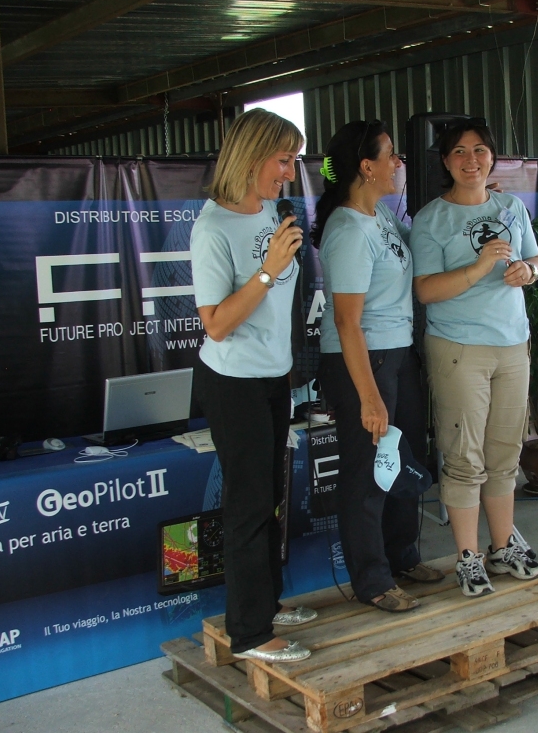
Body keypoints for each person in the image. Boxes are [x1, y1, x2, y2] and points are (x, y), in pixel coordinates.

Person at [190, 108, 315, 664]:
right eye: (283, 160)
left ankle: (267, 603)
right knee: (249, 504)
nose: (289, 173)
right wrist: (267, 270)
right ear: (251, 156)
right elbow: (216, 323)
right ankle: (249, 633)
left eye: (294, 161)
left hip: (271, 376)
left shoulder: (270, 210)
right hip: (233, 381)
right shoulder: (212, 228)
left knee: (272, 498)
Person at [312, 120, 444, 613]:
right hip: (363, 361)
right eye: (391, 155)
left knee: (404, 460)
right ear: (367, 167)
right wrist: (369, 397)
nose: (399, 163)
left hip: (398, 353)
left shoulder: (381, 216)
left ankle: (403, 556)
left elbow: (424, 243)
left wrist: (466, 202)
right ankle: (372, 580)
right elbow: (347, 322)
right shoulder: (347, 230)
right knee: (368, 471)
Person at [411, 119, 538, 598]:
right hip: (459, 348)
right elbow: (426, 290)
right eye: (460, 152)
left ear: (492, 157)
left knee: (505, 451)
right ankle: (468, 557)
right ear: (446, 162)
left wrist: (527, 271)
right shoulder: (431, 219)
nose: (472, 160)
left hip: (512, 343)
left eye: (480, 150)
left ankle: (503, 546)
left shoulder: (511, 207)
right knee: (464, 455)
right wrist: (480, 265)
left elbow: (536, 260)